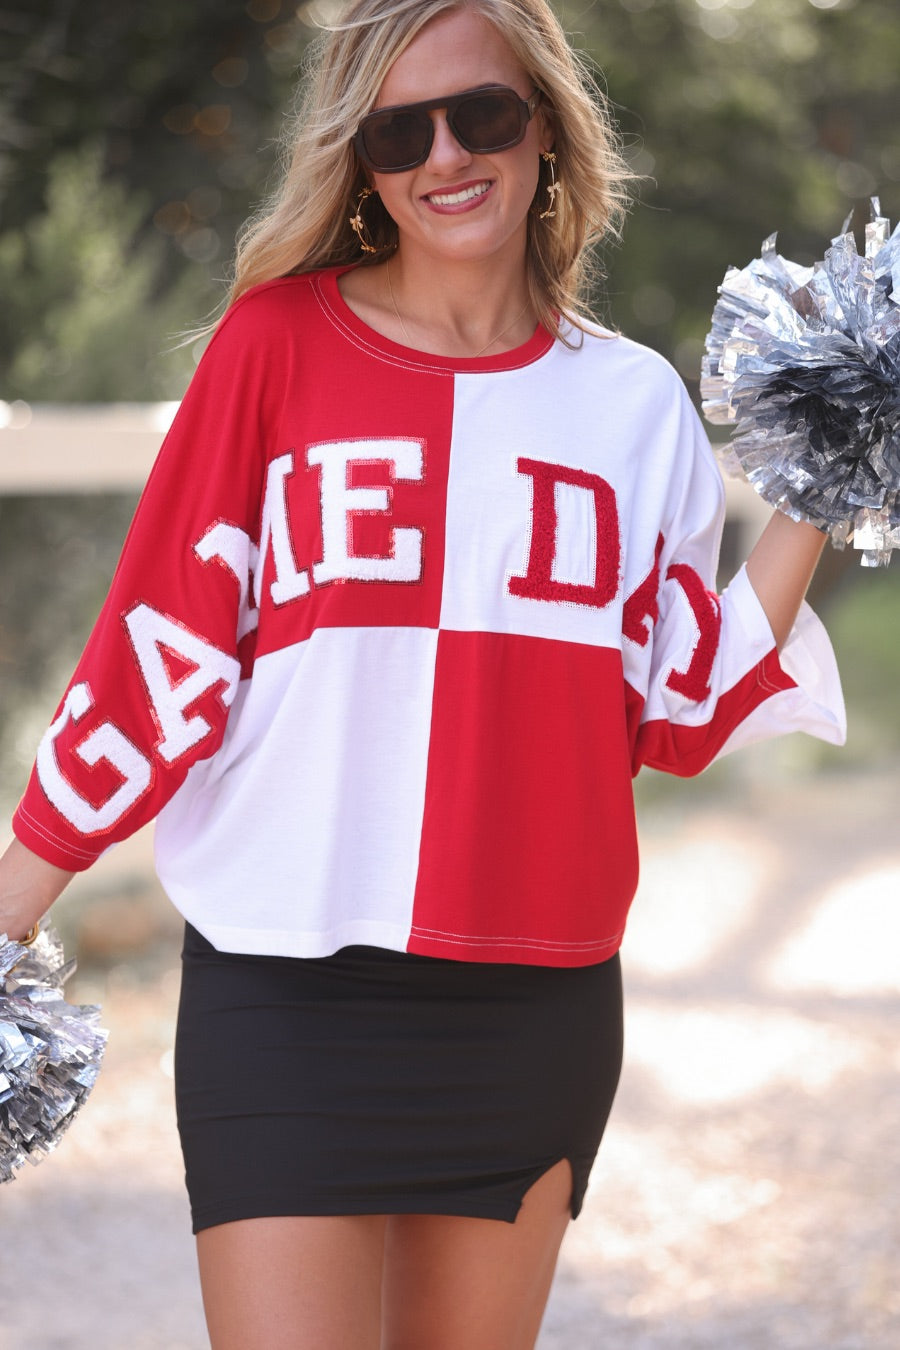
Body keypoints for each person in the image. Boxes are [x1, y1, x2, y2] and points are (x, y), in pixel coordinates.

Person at [0, 0, 845, 1346]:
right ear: (364, 160)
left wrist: (825, 467)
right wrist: (8, 910)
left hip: (531, 994)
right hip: (284, 980)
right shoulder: (272, 347)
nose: (446, 154)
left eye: (484, 114)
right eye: (402, 130)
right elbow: (160, 653)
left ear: (550, 130)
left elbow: (675, 708)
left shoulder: (629, 404)